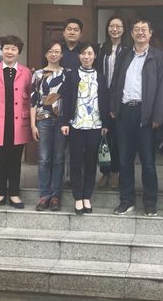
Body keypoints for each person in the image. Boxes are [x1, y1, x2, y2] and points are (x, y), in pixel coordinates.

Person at [110, 19, 163, 216]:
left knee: (148, 162)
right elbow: (115, 82)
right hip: (124, 112)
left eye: (144, 29)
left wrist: (158, 116)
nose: (140, 32)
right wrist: (113, 107)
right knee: (124, 160)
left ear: (151, 33)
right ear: (132, 34)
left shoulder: (159, 57)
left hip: (147, 114)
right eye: (136, 29)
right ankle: (126, 200)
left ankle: (150, 202)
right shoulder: (124, 55)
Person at [0, 35, 31, 209]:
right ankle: (0, 193)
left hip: (19, 124)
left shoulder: (26, 72)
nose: (10, 51)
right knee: (1, 159)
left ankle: (14, 194)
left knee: (16, 159)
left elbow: (32, 99)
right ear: (2, 50)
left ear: (19, 52)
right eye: (7, 48)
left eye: (14, 49)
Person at [61, 43, 109, 214]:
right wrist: (64, 122)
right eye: (83, 54)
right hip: (76, 125)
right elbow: (66, 99)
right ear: (79, 57)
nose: (86, 57)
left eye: (90, 53)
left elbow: (104, 101)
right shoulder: (71, 76)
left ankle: (87, 195)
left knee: (91, 162)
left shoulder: (100, 77)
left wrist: (105, 124)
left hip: (95, 125)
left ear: (95, 56)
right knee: (75, 161)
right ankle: (78, 197)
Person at [30, 41, 69, 212]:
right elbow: (33, 101)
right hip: (43, 120)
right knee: (44, 158)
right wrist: (33, 125)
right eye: (51, 51)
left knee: (59, 158)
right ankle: (44, 195)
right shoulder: (37, 74)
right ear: (46, 54)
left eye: (57, 51)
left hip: (61, 121)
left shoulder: (67, 73)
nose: (54, 54)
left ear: (61, 55)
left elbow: (70, 99)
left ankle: (55, 196)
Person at [96, 15, 129, 190]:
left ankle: (115, 171)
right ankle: (105, 172)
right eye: (111, 26)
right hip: (103, 96)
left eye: (118, 26)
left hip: (120, 97)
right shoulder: (101, 48)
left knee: (117, 136)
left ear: (124, 29)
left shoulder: (128, 49)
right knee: (104, 136)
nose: (114, 29)